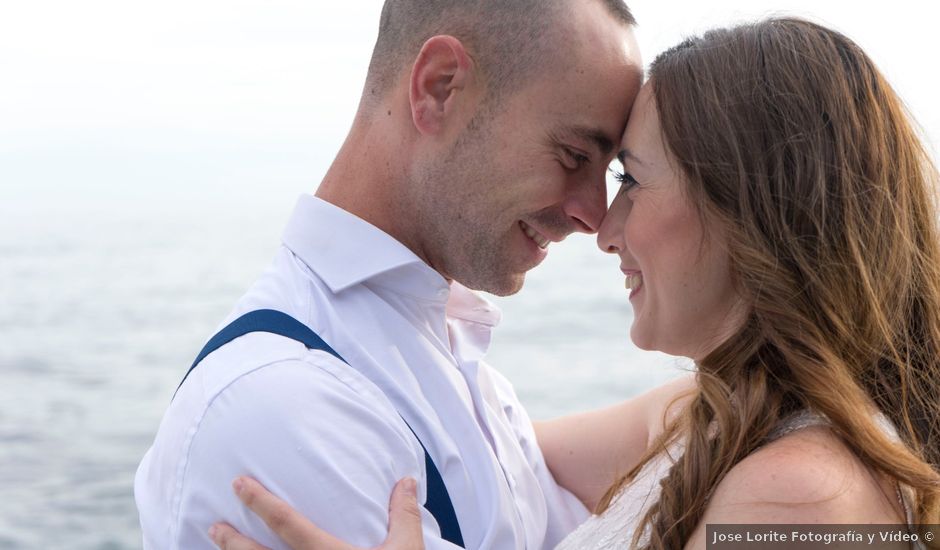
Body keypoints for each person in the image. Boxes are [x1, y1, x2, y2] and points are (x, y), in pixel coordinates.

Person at [207, 17, 940, 550]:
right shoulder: (714, 418)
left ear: (750, 213)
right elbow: (496, 462)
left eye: (631, 178)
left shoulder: (800, 503)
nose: (603, 226)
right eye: (577, 158)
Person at [134, 0, 643, 548]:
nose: (594, 215)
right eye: (572, 156)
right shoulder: (282, 404)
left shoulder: (445, 353)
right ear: (439, 87)